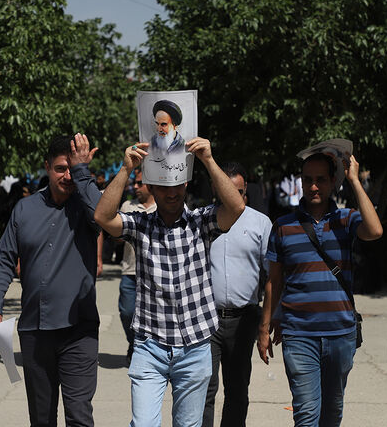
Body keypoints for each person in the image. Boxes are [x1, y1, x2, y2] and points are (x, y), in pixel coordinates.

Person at [94, 137, 245, 427]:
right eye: (163, 185)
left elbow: (236, 207)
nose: (171, 192)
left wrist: (208, 160)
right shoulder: (140, 225)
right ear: (150, 188)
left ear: (186, 184)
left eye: (177, 184)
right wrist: (126, 169)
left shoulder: (202, 222)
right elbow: (102, 216)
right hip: (150, 346)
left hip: (196, 346)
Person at [0, 133, 102, 427]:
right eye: (61, 168)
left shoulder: (88, 207)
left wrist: (83, 171)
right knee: (41, 418)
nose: (67, 176)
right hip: (35, 332)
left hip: (79, 330)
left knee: (79, 416)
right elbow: (3, 261)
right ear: (47, 166)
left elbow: (103, 216)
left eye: (72, 169)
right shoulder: (24, 209)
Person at [258, 150, 383, 427]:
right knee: (305, 415)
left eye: (321, 180)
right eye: (307, 179)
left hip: (340, 333)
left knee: (332, 413)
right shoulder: (283, 226)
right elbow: (274, 281)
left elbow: (375, 231)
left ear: (332, 182)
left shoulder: (347, 219)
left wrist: (354, 180)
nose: (313, 186)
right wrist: (264, 327)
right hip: (299, 334)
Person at [202, 162, 272, 427]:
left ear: (246, 192)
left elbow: (272, 278)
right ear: (215, 189)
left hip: (244, 320)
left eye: (240, 192)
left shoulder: (260, 223)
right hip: (206, 319)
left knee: (238, 390)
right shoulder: (203, 219)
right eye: (226, 191)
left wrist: (265, 326)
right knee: (203, 390)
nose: (234, 198)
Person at [113, 168, 156, 363]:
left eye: (140, 183)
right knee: (127, 311)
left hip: (154, 273)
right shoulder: (128, 206)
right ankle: (133, 341)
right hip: (130, 271)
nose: (136, 187)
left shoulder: (161, 206)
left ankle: (147, 350)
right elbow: (117, 234)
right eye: (135, 183)